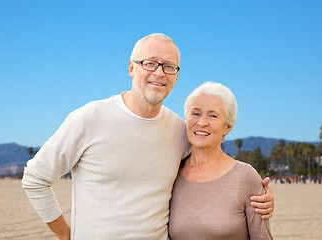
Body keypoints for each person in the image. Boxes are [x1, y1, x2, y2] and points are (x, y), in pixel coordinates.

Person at [22, 33, 274, 240]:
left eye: (169, 66)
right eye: (150, 63)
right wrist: (67, 236)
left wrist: (258, 196)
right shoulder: (89, 118)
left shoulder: (179, 129)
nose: (159, 72)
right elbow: (35, 179)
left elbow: (210, 167)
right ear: (132, 68)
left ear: (176, 76)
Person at [169, 82, 273, 239]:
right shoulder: (172, 172)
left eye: (213, 116)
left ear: (227, 127)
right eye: (196, 113)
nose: (202, 122)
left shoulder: (245, 176)